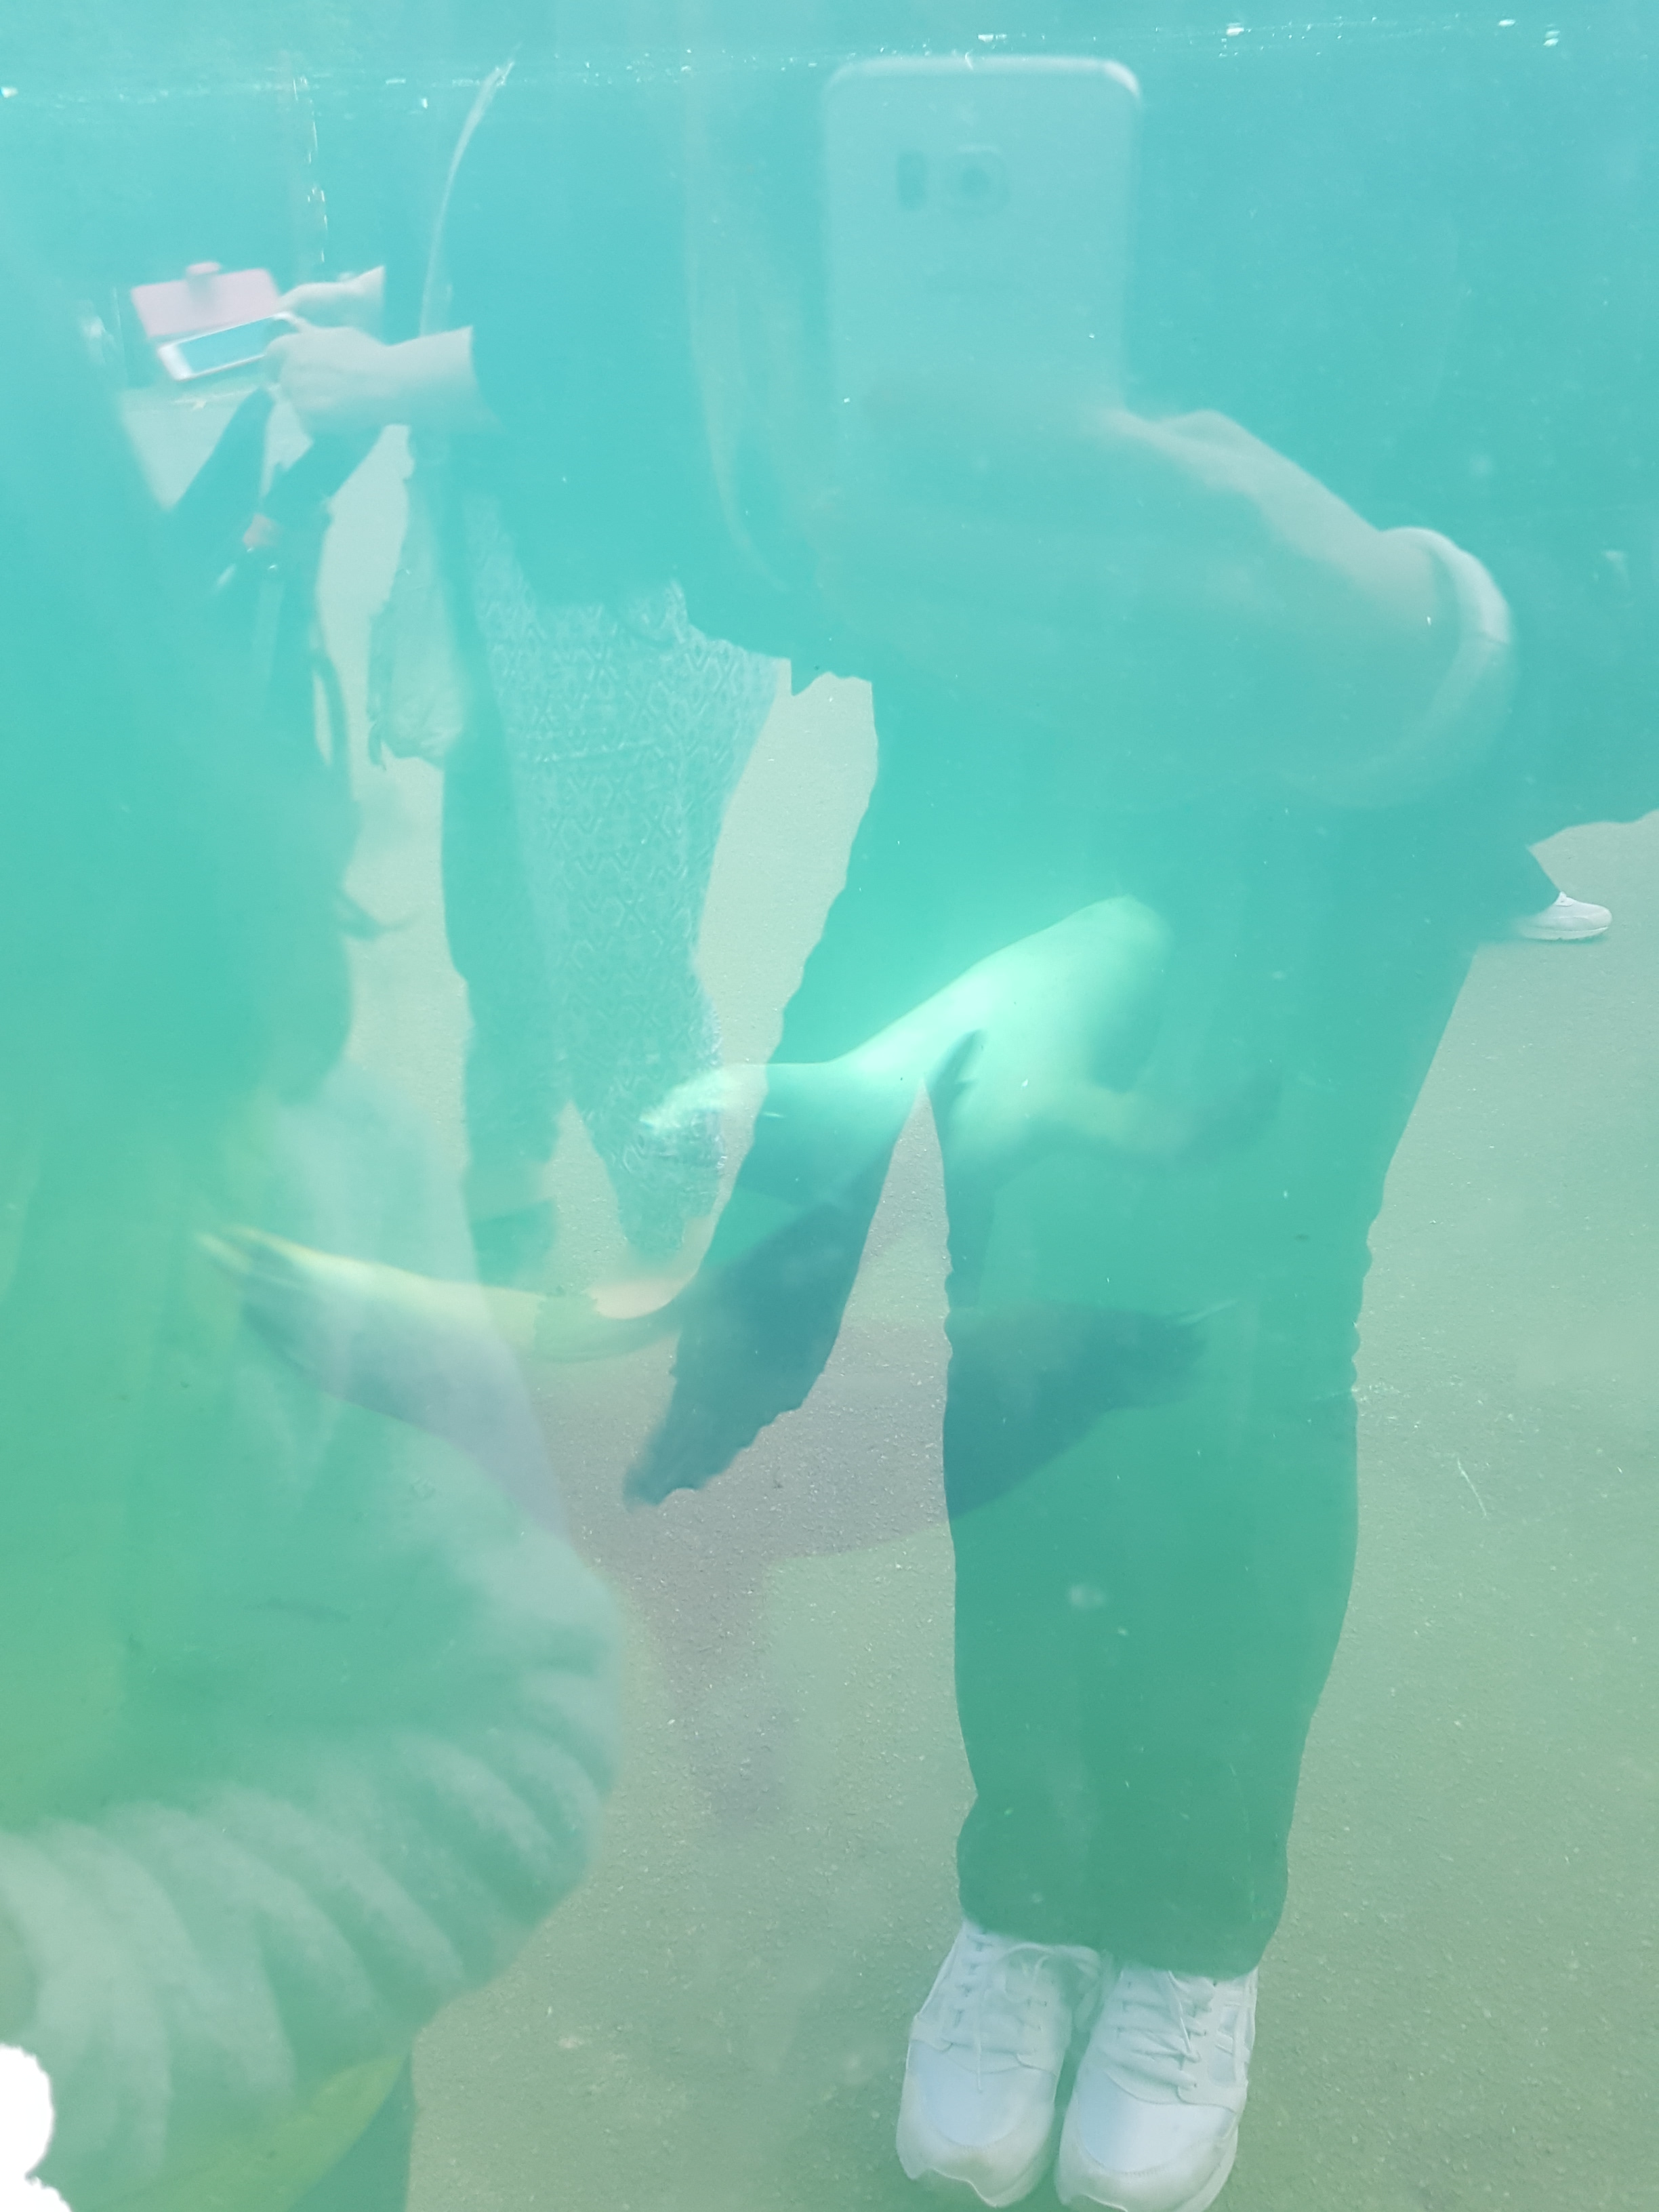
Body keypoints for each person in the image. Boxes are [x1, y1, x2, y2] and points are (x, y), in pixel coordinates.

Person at [264, 3, 1659, 2206]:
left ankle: (1189, 1920)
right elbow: (675, 458)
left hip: (1330, 813)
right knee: (1013, 1335)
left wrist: (1446, 645)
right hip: (994, 756)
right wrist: (784, 441)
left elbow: (1610, 467)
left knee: (1244, 1354)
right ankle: (1028, 1885)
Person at [0, 224, 617, 2212]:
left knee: (597, 966)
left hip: (183, 2140)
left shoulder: (238, 1175)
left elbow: (486, 1732)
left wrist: (63, 1990)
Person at [274, 18, 781, 1287]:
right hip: (511, 567)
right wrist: (389, 303)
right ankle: (508, 1160)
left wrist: (379, 382)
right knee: (498, 903)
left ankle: (670, 1235)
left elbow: (603, 347)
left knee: (617, 950)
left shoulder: (640, 54)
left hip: (615, 585)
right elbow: (531, 253)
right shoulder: (528, 45)